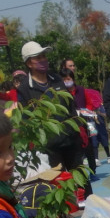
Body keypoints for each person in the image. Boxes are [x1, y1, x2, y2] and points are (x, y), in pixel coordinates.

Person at [16, 42, 86, 174]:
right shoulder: (24, 89)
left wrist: (77, 130)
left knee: (81, 179)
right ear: (29, 63)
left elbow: (71, 106)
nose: (43, 60)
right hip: (49, 147)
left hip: (70, 141)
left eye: (44, 56)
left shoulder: (57, 79)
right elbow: (26, 119)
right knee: (58, 183)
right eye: (38, 58)